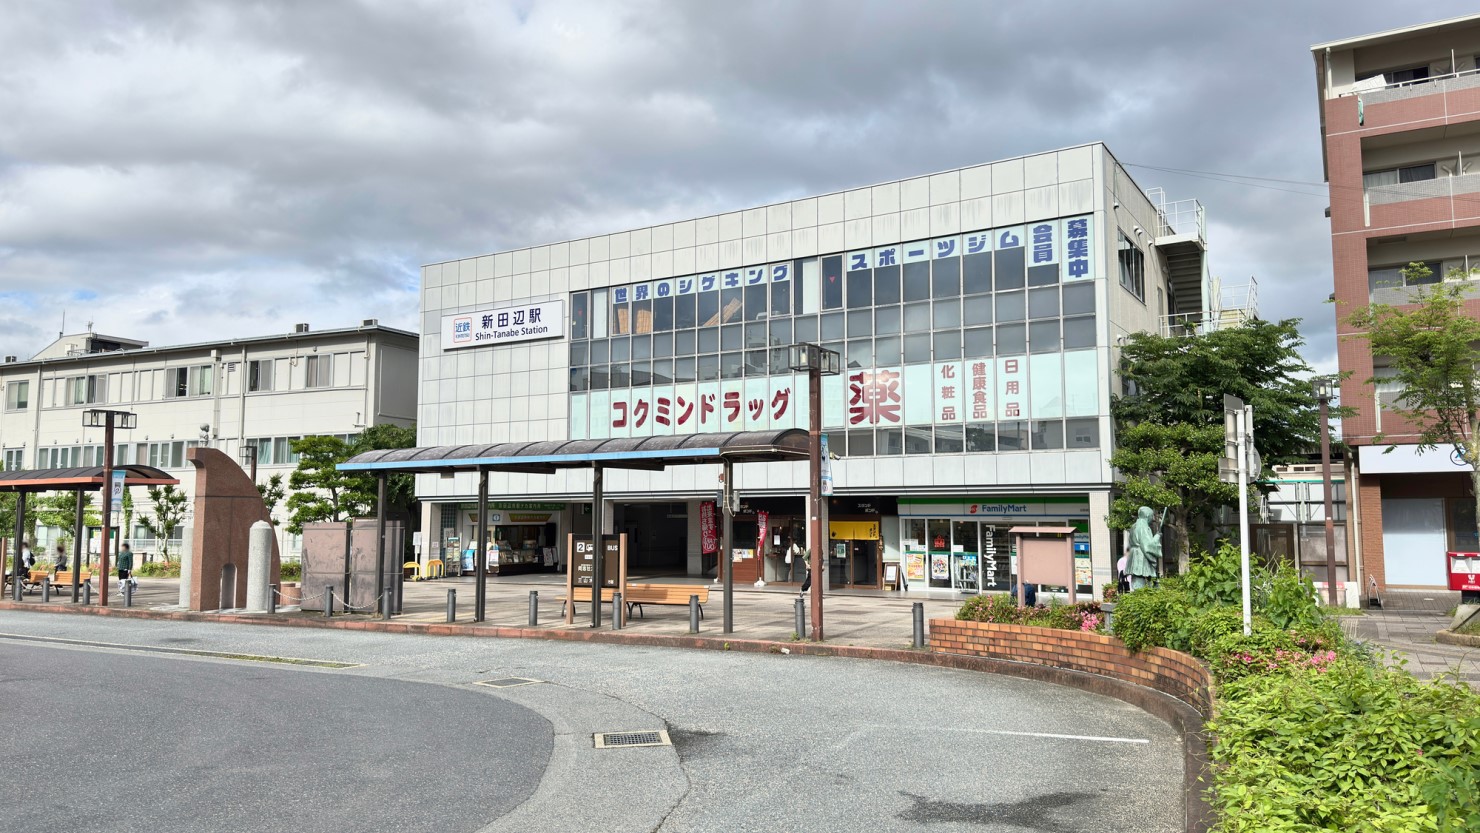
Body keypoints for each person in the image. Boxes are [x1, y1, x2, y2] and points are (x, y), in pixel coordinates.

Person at [1126, 506, 1163, 591]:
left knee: (1138, 580)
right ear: (1147, 516)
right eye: (1151, 516)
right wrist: (1157, 536)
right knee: (1140, 582)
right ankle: (1139, 599)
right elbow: (1147, 546)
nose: (1152, 518)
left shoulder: (1134, 526)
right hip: (1140, 556)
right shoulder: (1143, 526)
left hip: (1134, 555)